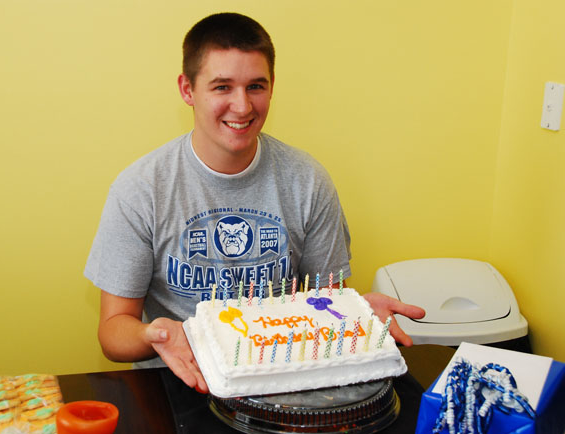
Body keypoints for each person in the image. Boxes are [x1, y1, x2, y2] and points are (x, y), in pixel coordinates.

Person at [84, 12, 425, 394]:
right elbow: (113, 332)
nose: (242, 106)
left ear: (272, 87)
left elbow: (328, 305)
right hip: (179, 383)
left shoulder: (308, 181)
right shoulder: (140, 189)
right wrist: (157, 334)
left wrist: (356, 315)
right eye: (222, 87)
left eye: (256, 87)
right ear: (187, 89)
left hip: (281, 385)